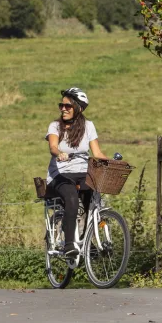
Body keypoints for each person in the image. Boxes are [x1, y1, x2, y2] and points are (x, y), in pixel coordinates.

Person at [45, 87, 109, 258]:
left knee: (93, 200)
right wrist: (59, 153)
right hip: (61, 175)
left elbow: (97, 153)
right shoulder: (55, 126)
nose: (63, 109)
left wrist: (113, 162)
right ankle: (69, 245)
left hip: (82, 172)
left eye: (68, 106)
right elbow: (53, 147)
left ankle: (85, 240)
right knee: (72, 198)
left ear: (78, 108)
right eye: (61, 105)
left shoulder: (88, 126)